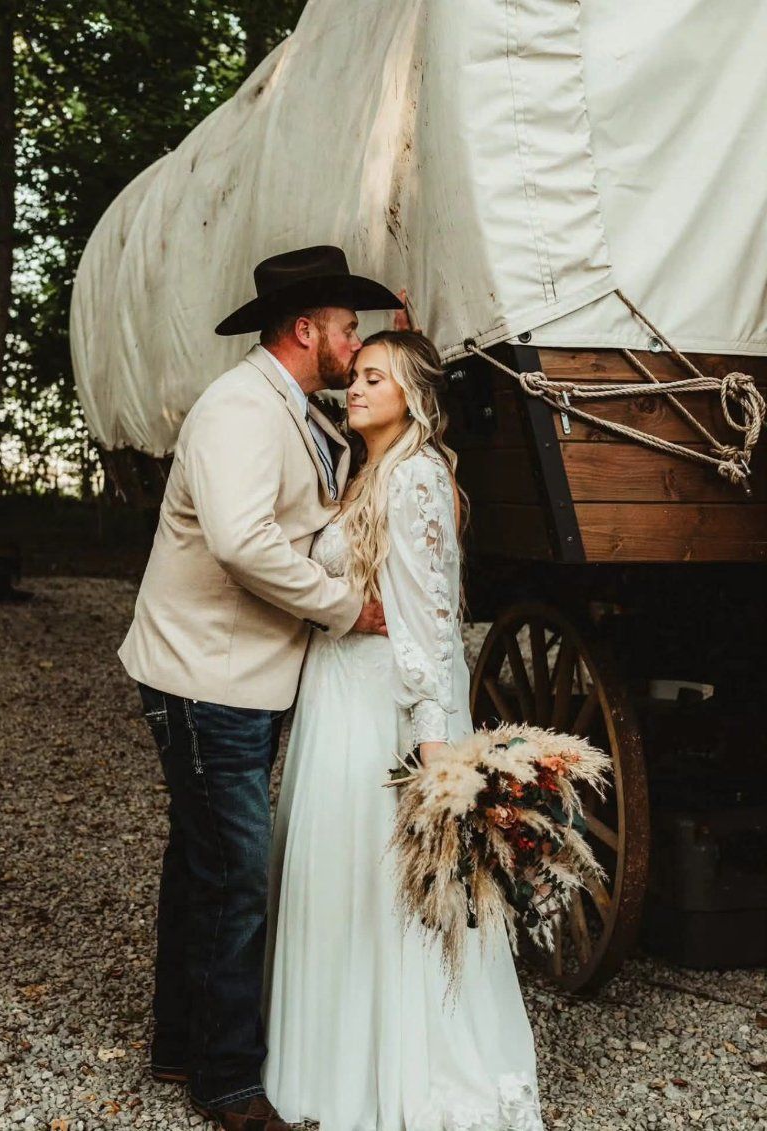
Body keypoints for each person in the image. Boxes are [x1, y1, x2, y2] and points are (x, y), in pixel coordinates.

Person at [118, 245, 403, 1131]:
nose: (355, 347)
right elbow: (244, 542)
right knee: (236, 874)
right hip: (208, 678)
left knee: (200, 859)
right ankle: (230, 1082)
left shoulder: (292, 407)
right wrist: (345, 610)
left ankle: (179, 1042)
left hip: (237, 673)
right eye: (349, 329)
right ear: (305, 328)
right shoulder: (240, 409)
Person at [263, 330, 545, 1131]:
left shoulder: (417, 477)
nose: (354, 386)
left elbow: (427, 623)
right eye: (353, 374)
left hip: (379, 710)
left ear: (414, 397)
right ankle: (331, 1064)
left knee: (390, 892)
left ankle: (410, 1072)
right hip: (336, 700)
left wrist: (432, 744)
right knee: (340, 883)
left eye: (374, 377)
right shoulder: (367, 472)